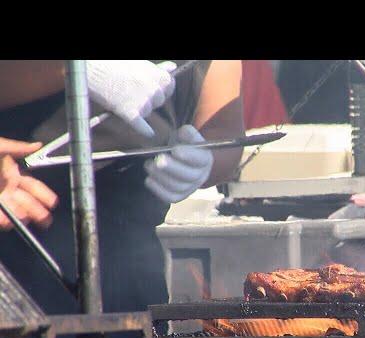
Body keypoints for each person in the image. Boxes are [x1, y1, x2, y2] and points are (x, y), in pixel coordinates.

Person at [0, 60, 244, 314]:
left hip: (133, 262)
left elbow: (223, 131)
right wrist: (79, 68)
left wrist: (205, 161)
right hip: (18, 239)